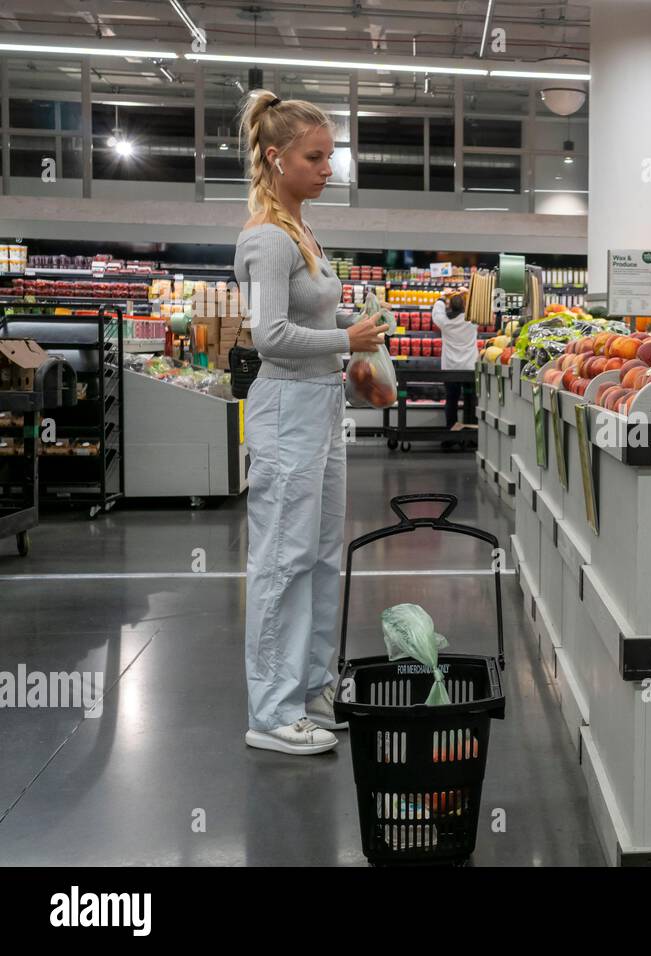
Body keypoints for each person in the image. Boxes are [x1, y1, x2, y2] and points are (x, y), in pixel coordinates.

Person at [234, 90, 388, 756]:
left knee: (322, 559)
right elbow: (267, 337)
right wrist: (343, 342)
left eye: (331, 156)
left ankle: (313, 693)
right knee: (282, 563)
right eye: (315, 156)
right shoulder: (266, 239)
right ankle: (271, 713)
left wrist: (352, 366)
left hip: (319, 405)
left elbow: (315, 328)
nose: (329, 168)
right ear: (276, 158)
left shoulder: (304, 232)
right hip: (284, 410)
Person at [431, 291, 478, 450]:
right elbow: (481, 305)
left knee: (451, 401)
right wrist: (469, 292)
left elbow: (437, 310)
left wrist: (443, 297)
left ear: (450, 306)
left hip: (450, 368)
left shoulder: (444, 322)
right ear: (465, 306)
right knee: (470, 401)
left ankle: (451, 437)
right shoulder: (472, 321)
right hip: (469, 368)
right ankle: (471, 436)